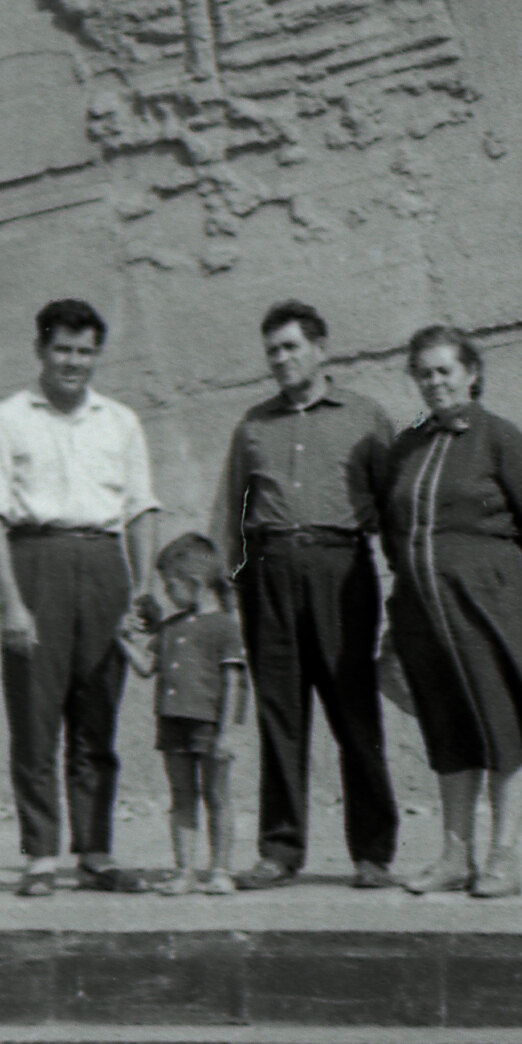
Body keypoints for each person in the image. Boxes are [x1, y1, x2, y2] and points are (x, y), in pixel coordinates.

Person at [0, 297, 162, 897]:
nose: (73, 363)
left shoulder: (120, 421)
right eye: (63, 350)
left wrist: (144, 587)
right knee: (34, 716)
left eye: (85, 352)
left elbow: (140, 509)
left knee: (97, 717)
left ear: (97, 355)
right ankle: (39, 856)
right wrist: (9, 601)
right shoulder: (6, 419)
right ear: (40, 350)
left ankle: (97, 853)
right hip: (36, 562)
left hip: (105, 565)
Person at [209, 300, 402, 890]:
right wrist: (225, 595)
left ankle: (371, 854)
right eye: (272, 350)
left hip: (341, 568)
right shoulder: (253, 427)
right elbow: (228, 517)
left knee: (354, 713)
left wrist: (405, 596)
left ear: (321, 349)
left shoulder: (367, 417)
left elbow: (394, 510)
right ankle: (280, 851)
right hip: (269, 573)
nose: (281, 360)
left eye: (291, 347)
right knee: (280, 717)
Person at [379, 324, 522, 899]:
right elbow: (395, 534)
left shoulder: (502, 439)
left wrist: (500, 589)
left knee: (502, 728)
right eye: (423, 372)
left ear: (472, 373)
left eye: (444, 370)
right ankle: (453, 856)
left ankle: (504, 858)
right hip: (423, 612)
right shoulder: (407, 445)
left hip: (490, 613)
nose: (434, 382)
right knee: (448, 730)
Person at [143, 534, 249, 896]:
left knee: (217, 796)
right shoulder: (170, 627)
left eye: (169, 585)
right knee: (182, 796)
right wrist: (123, 639)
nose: (166, 593)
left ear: (194, 583)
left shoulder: (224, 625)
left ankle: (220, 869)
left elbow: (234, 683)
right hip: (172, 721)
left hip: (209, 725)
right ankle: (184, 870)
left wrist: (227, 733)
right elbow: (146, 667)